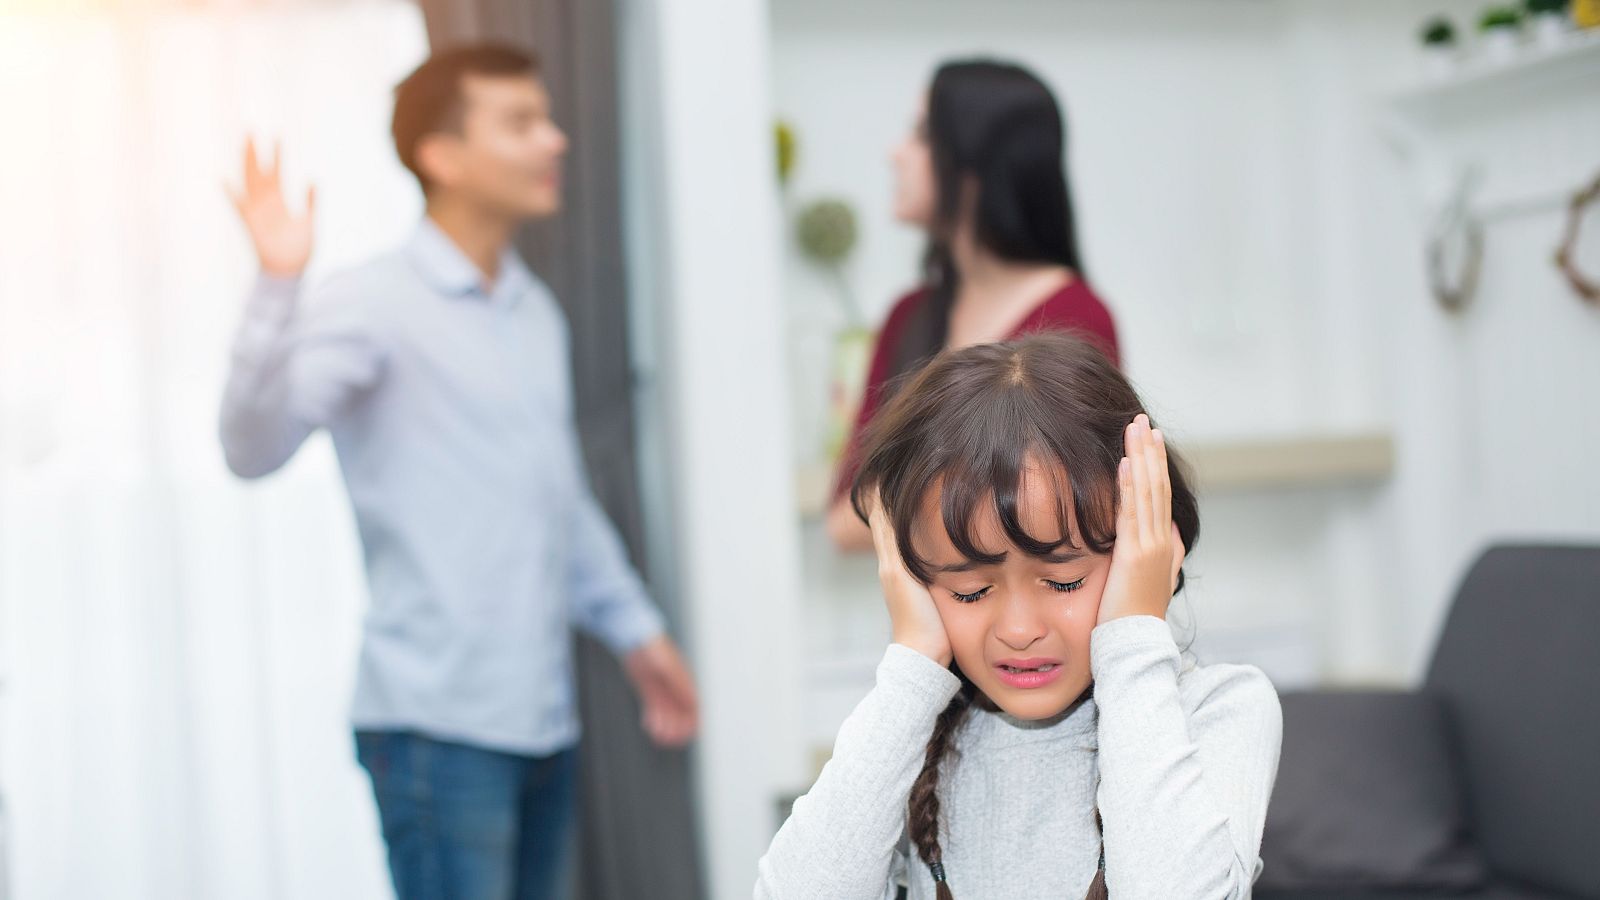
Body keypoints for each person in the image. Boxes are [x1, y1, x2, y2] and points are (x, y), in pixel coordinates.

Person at [219, 42, 697, 900]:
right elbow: (253, 451)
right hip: (433, 732)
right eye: (519, 123)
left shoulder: (532, 312)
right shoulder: (373, 302)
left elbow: (557, 499)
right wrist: (278, 287)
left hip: (542, 722)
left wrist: (638, 632)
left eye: (547, 118)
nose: (554, 140)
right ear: (440, 155)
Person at [758, 333, 1281, 899]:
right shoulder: (906, 735)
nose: (1019, 630)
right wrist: (912, 664)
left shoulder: (1221, 709)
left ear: (1146, 550)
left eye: (1062, 581)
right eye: (970, 591)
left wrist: (1133, 635)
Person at [828, 59, 1120, 552]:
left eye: (922, 135)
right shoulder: (908, 317)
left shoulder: (1077, 318)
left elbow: (1067, 510)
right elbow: (845, 520)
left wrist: (904, 486)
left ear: (975, 161)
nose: (896, 155)